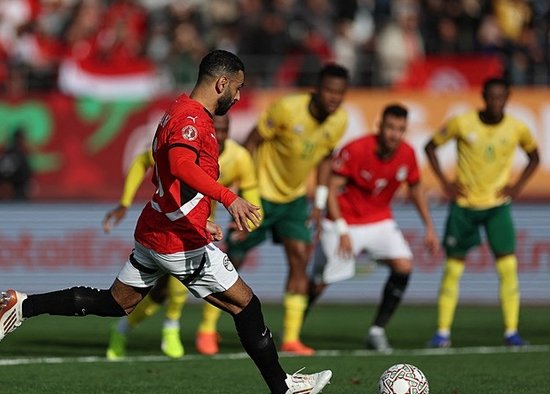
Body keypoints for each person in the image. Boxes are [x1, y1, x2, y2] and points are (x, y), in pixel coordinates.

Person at [0, 49, 332, 394]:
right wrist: (229, 198)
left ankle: (23, 305)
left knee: (116, 303)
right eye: (238, 87)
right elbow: (180, 165)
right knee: (245, 305)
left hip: (157, 229)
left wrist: (203, 218)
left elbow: (164, 177)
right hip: (176, 241)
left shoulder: (177, 110)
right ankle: (282, 387)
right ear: (222, 83)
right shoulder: (191, 119)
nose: (239, 96)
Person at [102, 114, 262, 359]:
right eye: (216, 129)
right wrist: (125, 202)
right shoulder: (185, 150)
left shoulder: (239, 157)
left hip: (201, 228)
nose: (219, 136)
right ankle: (159, 327)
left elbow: (252, 199)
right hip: (167, 226)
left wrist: (246, 224)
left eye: (224, 130)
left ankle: (155, 328)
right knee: (160, 291)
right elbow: (142, 161)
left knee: (168, 290)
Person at [226, 63, 350, 356]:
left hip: (294, 200)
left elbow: (325, 159)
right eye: (329, 91)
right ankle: (207, 329)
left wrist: (319, 202)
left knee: (300, 257)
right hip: (260, 194)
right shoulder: (287, 109)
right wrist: (242, 191)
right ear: (317, 90)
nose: (334, 98)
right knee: (234, 257)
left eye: (340, 93)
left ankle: (291, 338)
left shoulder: (339, 121)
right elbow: (252, 141)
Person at [307, 104, 440, 352]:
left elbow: (415, 189)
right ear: (380, 126)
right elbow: (332, 189)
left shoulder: (407, 154)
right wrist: (342, 230)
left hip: (379, 220)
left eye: (400, 129)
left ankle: (377, 331)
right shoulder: (356, 150)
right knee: (320, 282)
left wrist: (429, 226)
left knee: (404, 266)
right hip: (344, 220)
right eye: (390, 127)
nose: (394, 134)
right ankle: (292, 328)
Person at [424, 77, 540, 348]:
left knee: (508, 267)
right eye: (491, 97)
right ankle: (442, 333)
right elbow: (430, 147)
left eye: (501, 97)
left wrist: (517, 187)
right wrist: (445, 182)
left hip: (497, 206)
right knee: (453, 269)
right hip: (464, 206)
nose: (496, 102)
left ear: (508, 98)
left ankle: (511, 331)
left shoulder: (517, 128)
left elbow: (535, 157)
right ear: (483, 97)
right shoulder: (462, 122)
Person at [0, 128, 33, 201]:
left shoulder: (3, 154)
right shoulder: (20, 156)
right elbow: (26, 176)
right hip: (16, 197)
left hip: (1, 197)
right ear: (20, 140)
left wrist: (0, 185)